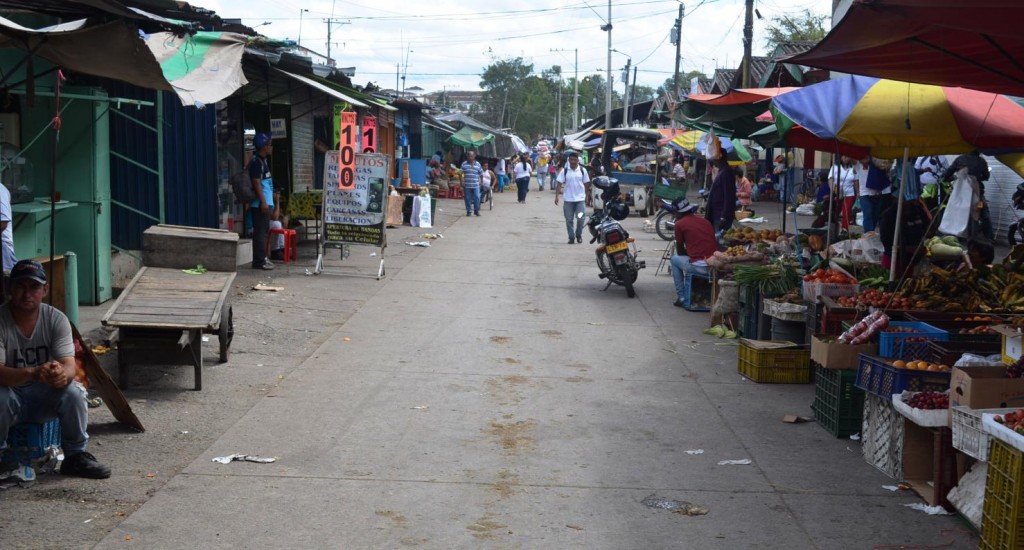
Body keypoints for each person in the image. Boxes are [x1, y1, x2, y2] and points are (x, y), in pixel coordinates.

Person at [0, 260, 110, 479]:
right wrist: (33, 372)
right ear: (9, 288)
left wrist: (61, 375)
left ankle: (75, 457)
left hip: (42, 396)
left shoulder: (56, 319)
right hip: (10, 396)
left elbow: (69, 364)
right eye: (21, 286)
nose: (27, 293)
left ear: (45, 290)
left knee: (74, 392)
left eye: (34, 287)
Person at [669, 199, 718, 308]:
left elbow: (680, 251)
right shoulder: (705, 221)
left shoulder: (679, 224)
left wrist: (692, 252)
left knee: (674, 259)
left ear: (678, 212)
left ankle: (681, 297)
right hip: (713, 266)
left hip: (699, 267)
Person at [942, 151, 993, 240]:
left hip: (961, 195)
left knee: (956, 212)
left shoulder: (959, 159)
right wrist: (976, 177)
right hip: (978, 194)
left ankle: (956, 234)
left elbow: (946, 175)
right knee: (982, 212)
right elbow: (986, 176)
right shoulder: (981, 161)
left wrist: (953, 178)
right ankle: (988, 237)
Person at [879, 198, 933, 274]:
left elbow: (927, 227)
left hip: (916, 261)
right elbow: (888, 244)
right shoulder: (888, 216)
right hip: (895, 263)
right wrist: (911, 249)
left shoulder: (917, 210)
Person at [249, 133, 274, 270]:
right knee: (260, 233)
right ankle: (259, 261)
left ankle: (263, 257)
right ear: (264, 147)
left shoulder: (263, 160)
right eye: (269, 145)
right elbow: (256, 183)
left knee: (263, 232)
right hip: (260, 204)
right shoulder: (256, 162)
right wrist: (263, 202)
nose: (271, 147)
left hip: (265, 203)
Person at [555, 152, 591, 244]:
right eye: (571, 160)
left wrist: (587, 196)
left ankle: (578, 235)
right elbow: (559, 183)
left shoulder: (583, 170)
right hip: (568, 201)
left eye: (575, 160)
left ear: (578, 160)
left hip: (580, 200)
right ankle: (571, 237)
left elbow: (587, 184)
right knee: (569, 219)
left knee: (580, 218)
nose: (573, 161)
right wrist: (557, 196)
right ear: (569, 160)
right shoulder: (565, 171)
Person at [857, 156, 892, 232]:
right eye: (863, 158)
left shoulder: (876, 165)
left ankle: (871, 232)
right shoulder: (857, 165)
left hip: (877, 194)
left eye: (867, 158)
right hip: (864, 195)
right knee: (868, 213)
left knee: (875, 215)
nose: (865, 159)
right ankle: (868, 233)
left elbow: (887, 166)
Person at [706, 156, 737, 236]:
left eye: (714, 158)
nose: (713, 160)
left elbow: (729, 196)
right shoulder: (722, 171)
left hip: (721, 214)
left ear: (718, 158)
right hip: (717, 212)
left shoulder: (726, 172)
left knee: (720, 239)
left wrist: (724, 215)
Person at [828, 156, 859, 231]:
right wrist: (833, 189)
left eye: (848, 157)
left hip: (849, 193)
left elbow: (855, 181)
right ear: (841, 157)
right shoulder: (835, 167)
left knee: (846, 211)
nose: (846, 158)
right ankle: (834, 229)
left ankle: (845, 229)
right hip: (837, 193)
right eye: (844, 157)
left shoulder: (853, 168)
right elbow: (830, 179)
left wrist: (858, 192)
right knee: (835, 212)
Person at [459, 151, 484, 216]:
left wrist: (481, 181)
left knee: (477, 197)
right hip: (467, 185)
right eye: (469, 156)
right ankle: (469, 211)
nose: (470, 157)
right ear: (467, 157)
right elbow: (460, 173)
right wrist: (461, 182)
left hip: (476, 185)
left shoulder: (478, 164)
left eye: (471, 156)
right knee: (467, 199)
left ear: (474, 156)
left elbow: (481, 173)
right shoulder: (464, 164)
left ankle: (476, 211)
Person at [268, 191, 286, 261]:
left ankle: (282, 247)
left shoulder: (271, 202)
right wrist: (277, 201)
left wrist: (285, 217)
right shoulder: (267, 199)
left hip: (266, 222)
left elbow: (278, 215)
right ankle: (275, 250)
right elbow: (274, 217)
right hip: (252, 227)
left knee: (279, 223)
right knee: (276, 224)